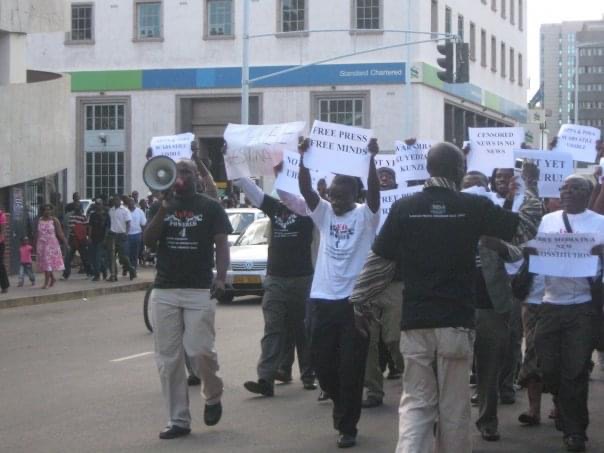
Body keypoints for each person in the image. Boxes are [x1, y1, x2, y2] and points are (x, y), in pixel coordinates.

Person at [351, 142, 541, 453]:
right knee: (454, 407)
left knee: (416, 403)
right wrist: (529, 187)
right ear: (460, 170)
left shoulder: (404, 207)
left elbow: (379, 262)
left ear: (428, 169)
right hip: (456, 324)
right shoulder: (473, 206)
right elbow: (524, 229)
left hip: (415, 323)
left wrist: (359, 301)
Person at [298, 137, 380, 449]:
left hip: (354, 305)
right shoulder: (325, 214)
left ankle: (348, 426)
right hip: (321, 301)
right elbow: (306, 190)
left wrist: (371, 159)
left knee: (351, 368)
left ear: (355, 195)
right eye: (333, 195)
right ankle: (339, 403)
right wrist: (303, 157)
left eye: (343, 196)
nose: (336, 201)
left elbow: (374, 194)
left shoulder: (366, 215)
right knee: (320, 363)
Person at [143, 158, 231, 440]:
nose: (179, 176)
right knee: (169, 359)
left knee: (200, 351)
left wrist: (221, 277)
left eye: (185, 172)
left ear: (197, 177)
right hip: (165, 289)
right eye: (176, 172)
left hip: (199, 289)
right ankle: (178, 419)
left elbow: (221, 244)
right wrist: (164, 209)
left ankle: (213, 395)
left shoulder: (210, 207)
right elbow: (148, 240)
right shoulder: (161, 205)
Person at [532, 175, 604, 452]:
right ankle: (564, 408)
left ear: (588, 194)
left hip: (583, 306)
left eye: (575, 188)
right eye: (564, 188)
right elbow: (539, 257)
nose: (568, 192)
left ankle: (576, 432)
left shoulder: (599, 223)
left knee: (574, 371)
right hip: (550, 305)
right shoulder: (548, 221)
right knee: (549, 369)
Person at [461, 171, 532, 442]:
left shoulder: (493, 222)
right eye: (466, 188)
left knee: (489, 368)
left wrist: (499, 247)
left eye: (476, 188)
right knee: (452, 368)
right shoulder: (450, 225)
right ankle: (446, 421)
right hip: (458, 307)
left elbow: (517, 252)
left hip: (491, 305)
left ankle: (487, 421)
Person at [235, 171, 316, 396]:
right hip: (276, 279)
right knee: (273, 328)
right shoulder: (275, 208)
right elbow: (254, 192)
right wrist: (236, 169)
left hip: (303, 279)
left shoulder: (309, 209)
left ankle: (309, 375)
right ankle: (265, 379)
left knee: (303, 329)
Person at [36, 204, 66, 289]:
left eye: (49, 210)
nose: (47, 211)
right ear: (42, 211)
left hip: (51, 245)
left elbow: (60, 233)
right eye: (45, 210)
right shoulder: (40, 220)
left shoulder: (54, 220)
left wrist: (66, 243)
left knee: (48, 263)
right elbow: (37, 233)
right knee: (46, 264)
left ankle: (46, 283)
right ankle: (52, 278)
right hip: (41, 244)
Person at [107, 195, 135, 281]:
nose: (115, 202)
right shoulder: (111, 210)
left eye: (117, 200)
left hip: (122, 235)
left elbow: (128, 223)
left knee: (123, 256)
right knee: (111, 256)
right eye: (114, 200)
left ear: (120, 201)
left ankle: (131, 269)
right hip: (112, 235)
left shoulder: (125, 210)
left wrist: (126, 233)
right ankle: (113, 274)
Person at [62, 204, 90, 279]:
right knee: (68, 258)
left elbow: (85, 228)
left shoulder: (83, 217)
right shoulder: (73, 217)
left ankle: (89, 273)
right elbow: (75, 227)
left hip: (80, 239)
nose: (77, 209)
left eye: (78, 207)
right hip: (74, 239)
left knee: (84, 257)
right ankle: (66, 274)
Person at [88, 199, 110, 281]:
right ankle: (104, 270)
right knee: (94, 257)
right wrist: (89, 237)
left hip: (102, 238)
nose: (98, 205)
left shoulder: (106, 215)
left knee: (98, 257)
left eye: (99, 204)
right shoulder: (93, 215)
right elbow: (90, 226)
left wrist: (105, 238)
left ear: (102, 205)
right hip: (93, 238)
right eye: (96, 204)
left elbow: (107, 228)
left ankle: (97, 275)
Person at [127, 198, 147, 271]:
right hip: (127, 235)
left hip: (137, 234)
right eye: (129, 202)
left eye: (132, 202)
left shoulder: (139, 211)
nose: (130, 203)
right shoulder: (125, 211)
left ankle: (133, 269)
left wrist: (143, 235)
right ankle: (127, 267)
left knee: (135, 253)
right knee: (127, 253)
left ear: (134, 203)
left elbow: (143, 224)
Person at [0, 207, 8, 293]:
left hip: (0, 243)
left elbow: (2, 231)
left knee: (0, 264)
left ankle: (4, 285)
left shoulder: (1, 215)